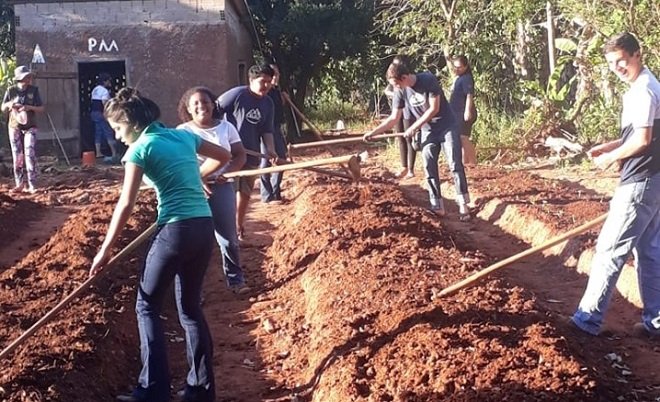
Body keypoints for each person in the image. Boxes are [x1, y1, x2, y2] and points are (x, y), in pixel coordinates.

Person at [89, 87, 231, 402]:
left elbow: (126, 204)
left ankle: (153, 390)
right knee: (190, 309)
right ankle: (201, 391)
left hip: (175, 230)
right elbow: (224, 155)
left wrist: (105, 249)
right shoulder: (182, 136)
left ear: (132, 123)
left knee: (146, 305)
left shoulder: (139, 149)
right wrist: (197, 177)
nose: (117, 135)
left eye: (118, 128)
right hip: (203, 226)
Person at [570, 32, 660, 339]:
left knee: (609, 249)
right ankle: (655, 322)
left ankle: (587, 320)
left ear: (636, 54)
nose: (617, 67)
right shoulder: (647, 85)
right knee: (649, 251)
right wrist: (611, 146)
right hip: (652, 179)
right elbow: (644, 134)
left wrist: (611, 158)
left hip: (639, 181)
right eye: (611, 63)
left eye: (621, 60)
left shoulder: (643, 90)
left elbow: (643, 140)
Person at [364, 62, 471, 219]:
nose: (396, 88)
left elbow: (434, 108)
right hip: (428, 130)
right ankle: (437, 205)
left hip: (447, 126)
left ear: (404, 77)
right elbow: (394, 118)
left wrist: (414, 127)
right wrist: (373, 132)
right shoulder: (399, 91)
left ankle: (463, 204)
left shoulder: (428, 80)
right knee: (428, 165)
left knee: (454, 163)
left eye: (397, 84)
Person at [177, 86, 250, 294]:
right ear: (188, 108)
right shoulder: (183, 131)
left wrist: (229, 173)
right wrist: (197, 179)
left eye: (205, 102)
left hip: (222, 186)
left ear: (212, 105)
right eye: (196, 103)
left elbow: (240, 154)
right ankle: (193, 292)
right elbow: (181, 161)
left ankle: (236, 280)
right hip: (193, 189)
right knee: (194, 242)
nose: (202, 106)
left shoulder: (226, 127)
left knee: (228, 238)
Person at [215, 63, 278, 241]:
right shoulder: (236, 95)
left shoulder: (268, 103)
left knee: (244, 193)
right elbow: (214, 111)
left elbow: (267, 130)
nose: (266, 85)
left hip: (251, 154)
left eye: (269, 81)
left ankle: (238, 225)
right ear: (251, 80)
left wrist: (271, 149)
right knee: (227, 192)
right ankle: (224, 230)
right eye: (262, 81)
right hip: (229, 155)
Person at [1, 65, 44, 193]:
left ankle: (32, 184)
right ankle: (19, 183)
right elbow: (3, 107)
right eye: (27, 77)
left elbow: (41, 108)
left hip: (30, 126)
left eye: (29, 76)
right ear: (20, 78)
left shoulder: (34, 90)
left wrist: (29, 107)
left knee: (29, 153)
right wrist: (10, 104)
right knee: (17, 155)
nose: (29, 78)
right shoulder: (11, 91)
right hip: (14, 126)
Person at [260, 63, 289, 203]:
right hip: (265, 130)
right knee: (266, 161)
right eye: (274, 75)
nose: (276, 77)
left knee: (281, 158)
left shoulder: (276, 91)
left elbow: (278, 108)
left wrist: (283, 98)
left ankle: (275, 192)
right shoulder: (264, 92)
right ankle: (267, 196)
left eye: (277, 75)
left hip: (276, 128)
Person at [385, 55, 416, 179]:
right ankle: (404, 167)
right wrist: (395, 94)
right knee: (400, 138)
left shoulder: (407, 78)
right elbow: (387, 90)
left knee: (409, 139)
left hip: (408, 111)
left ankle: (411, 169)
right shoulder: (393, 78)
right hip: (397, 110)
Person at [449, 55, 478, 165]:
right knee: (460, 137)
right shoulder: (459, 78)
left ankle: (473, 162)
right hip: (456, 113)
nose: (457, 69)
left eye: (459, 67)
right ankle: (464, 162)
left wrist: (467, 111)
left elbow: (469, 95)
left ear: (465, 67)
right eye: (455, 67)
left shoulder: (467, 78)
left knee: (463, 137)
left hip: (464, 112)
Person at [91, 72, 120, 163]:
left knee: (98, 132)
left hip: (94, 113)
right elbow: (104, 103)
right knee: (108, 131)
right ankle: (114, 153)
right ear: (104, 81)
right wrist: (108, 113)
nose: (109, 83)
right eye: (108, 81)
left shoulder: (95, 89)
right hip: (101, 113)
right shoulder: (104, 91)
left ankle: (98, 152)